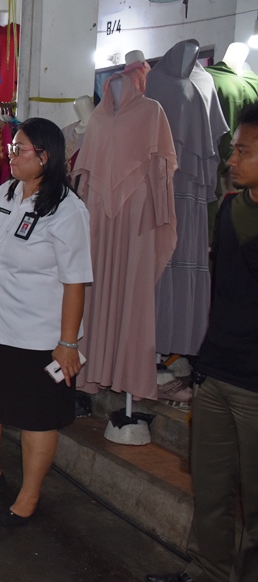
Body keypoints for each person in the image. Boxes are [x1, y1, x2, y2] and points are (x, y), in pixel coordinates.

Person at [0, 117, 92, 527]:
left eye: (20, 149)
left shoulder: (68, 211)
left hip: (38, 334)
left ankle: (30, 494)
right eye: (11, 148)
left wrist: (67, 344)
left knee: (37, 416)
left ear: (45, 157)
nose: (10, 155)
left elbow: (75, 280)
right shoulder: (4, 193)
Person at [147, 103, 258, 582]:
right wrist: (203, 366)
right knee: (211, 491)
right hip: (216, 377)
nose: (231, 161)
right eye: (233, 150)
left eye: (243, 152)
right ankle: (207, 572)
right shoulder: (231, 209)